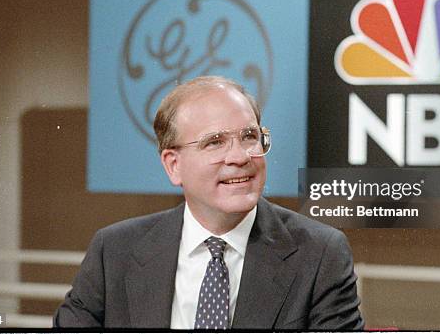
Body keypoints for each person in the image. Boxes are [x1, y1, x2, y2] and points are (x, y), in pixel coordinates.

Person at [54, 76, 364, 330]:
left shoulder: (321, 254)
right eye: (214, 142)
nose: (240, 157)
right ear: (173, 165)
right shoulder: (114, 251)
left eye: (249, 137)